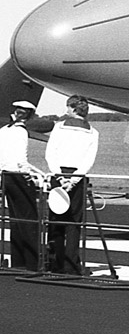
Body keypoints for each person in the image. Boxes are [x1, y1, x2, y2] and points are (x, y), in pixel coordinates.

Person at [42, 95, 99, 275]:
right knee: (74, 223)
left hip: (58, 174)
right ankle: (71, 264)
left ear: (73, 109)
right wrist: (74, 180)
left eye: (68, 108)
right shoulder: (94, 132)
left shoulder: (59, 128)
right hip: (79, 178)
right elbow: (89, 161)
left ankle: (56, 263)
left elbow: (50, 154)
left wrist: (60, 178)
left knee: (56, 221)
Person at [0, 100, 47, 270]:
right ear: (29, 115)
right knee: (29, 219)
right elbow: (21, 160)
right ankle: (32, 263)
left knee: (15, 219)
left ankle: (17, 261)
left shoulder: (4, 130)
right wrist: (35, 175)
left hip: (6, 176)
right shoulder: (21, 132)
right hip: (19, 176)